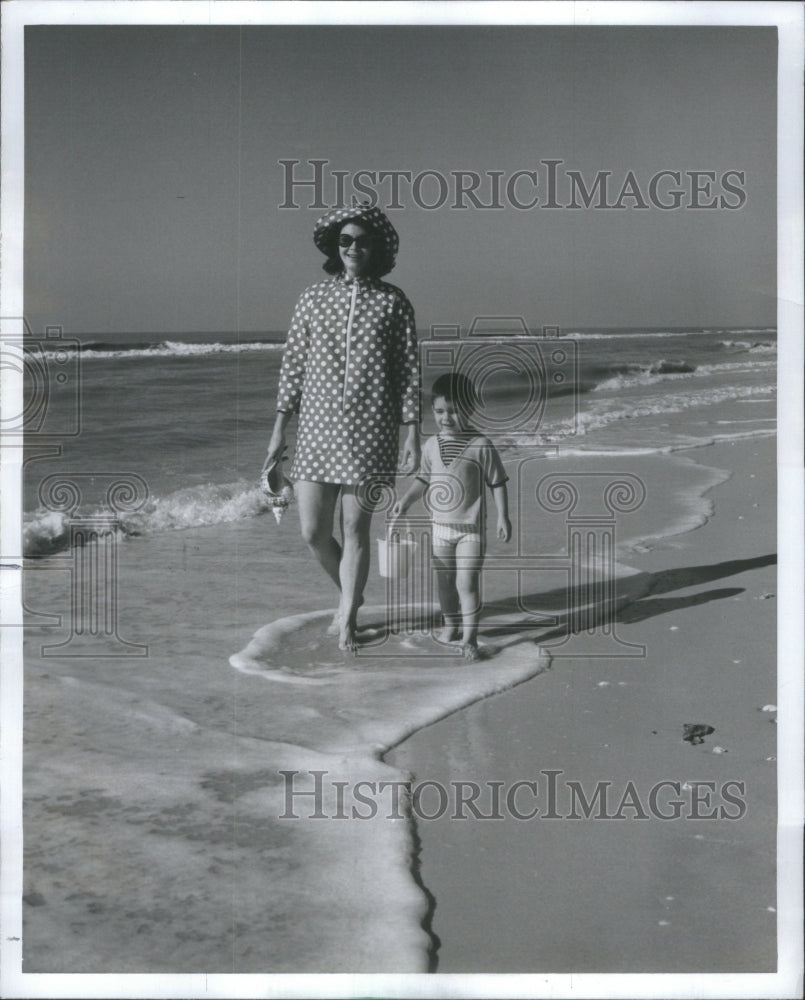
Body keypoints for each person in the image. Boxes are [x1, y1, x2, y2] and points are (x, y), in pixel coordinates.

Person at [264, 205, 420, 651]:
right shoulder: (312, 298)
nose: (353, 247)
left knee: (355, 530)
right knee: (312, 531)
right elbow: (292, 366)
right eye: (345, 240)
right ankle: (351, 593)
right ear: (336, 247)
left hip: (372, 430)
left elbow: (408, 371)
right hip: (315, 430)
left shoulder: (393, 301)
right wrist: (279, 430)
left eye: (362, 240)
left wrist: (413, 430)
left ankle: (348, 617)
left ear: (375, 248)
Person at [392, 373, 511, 661]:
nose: (447, 417)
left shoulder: (481, 445)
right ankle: (450, 624)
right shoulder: (431, 445)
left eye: (454, 411)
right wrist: (405, 502)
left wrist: (502, 517)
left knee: (465, 583)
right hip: (440, 528)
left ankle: (470, 638)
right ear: (433, 411)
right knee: (444, 583)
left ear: (469, 409)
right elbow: (423, 480)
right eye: (440, 411)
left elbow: (497, 482)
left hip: (471, 530)